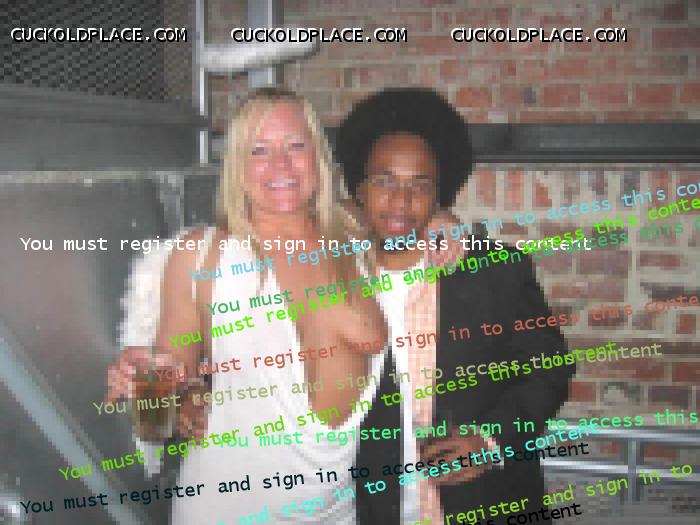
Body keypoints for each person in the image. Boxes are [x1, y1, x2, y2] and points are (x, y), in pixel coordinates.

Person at [107, 87, 387, 524]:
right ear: (237, 167)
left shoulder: (358, 239)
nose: (281, 165)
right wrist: (147, 384)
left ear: (319, 157)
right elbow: (161, 407)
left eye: (296, 146)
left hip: (335, 510)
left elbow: (418, 208)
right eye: (259, 150)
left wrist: (446, 223)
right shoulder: (200, 256)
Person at [336, 87, 574, 525]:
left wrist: (490, 440)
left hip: (484, 503)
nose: (401, 200)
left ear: (439, 195)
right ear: (359, 189)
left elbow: (549, 370)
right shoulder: (335, 276)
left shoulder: (494, 270)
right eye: (385, 180)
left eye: (419, 185)